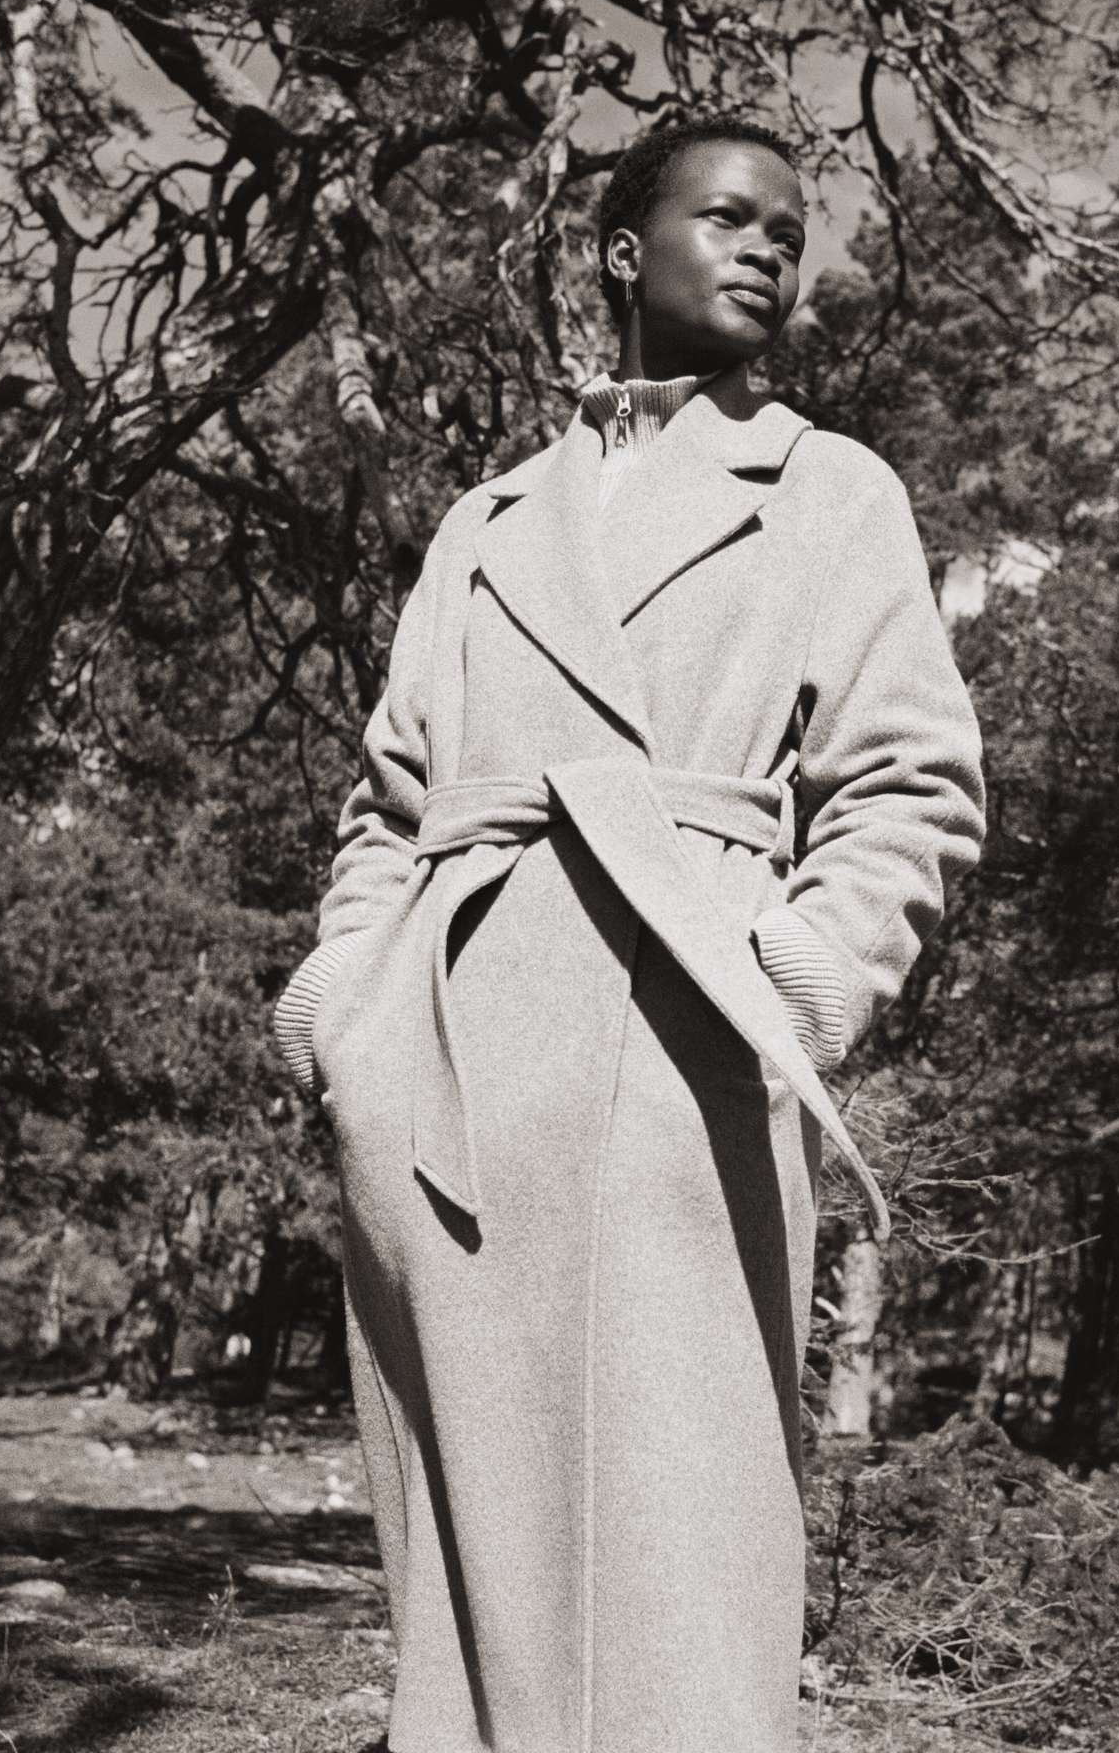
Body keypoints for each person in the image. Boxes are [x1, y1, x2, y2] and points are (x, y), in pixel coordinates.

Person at [274, 114, 986, 1753]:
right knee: (472, 1526)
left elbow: (912, 781)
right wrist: (347, 1009)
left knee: (686, 1518)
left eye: (789, 232)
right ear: (619, 251)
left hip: (685, 1040)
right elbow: (389, 801)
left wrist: (798, 986)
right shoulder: (488, 520)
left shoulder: (826, 488)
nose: (769, 249)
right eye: (729, 217)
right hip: (451, 1061)